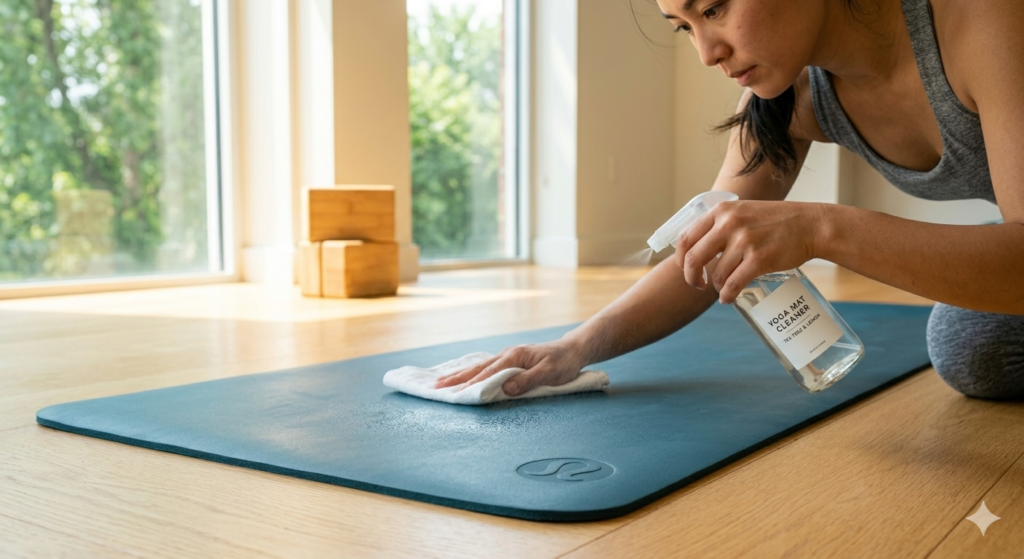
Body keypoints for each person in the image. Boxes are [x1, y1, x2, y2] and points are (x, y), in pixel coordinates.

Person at [435, 0, 1024, 399]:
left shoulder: (986, 19)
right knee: (972, 344)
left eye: (714, 8)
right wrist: (573, 347)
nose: (706, 52)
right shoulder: (789, 97)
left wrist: (820, 229)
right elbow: (708, 243)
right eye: (684, 25)